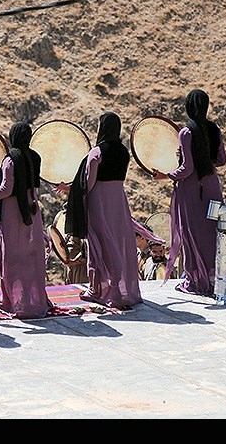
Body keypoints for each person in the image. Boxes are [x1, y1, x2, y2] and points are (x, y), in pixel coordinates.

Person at [57, 112, 142, 308]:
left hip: (99, 202)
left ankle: (98, 290)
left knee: (98, 245)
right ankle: (122, 288)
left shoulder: (97, 152)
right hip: (119, 201)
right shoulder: (123, 152)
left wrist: (68, 188)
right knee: (117, 242)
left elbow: (88, 183)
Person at [0, 121, 50, 318]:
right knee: (31, 256)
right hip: (31, 208)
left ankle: (11, 302)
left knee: (12, 257)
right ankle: (34, 299)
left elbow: (5, 190)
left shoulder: (10, 160)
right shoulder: (35, 157)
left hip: (13, 212)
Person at [154, 89, 226, 297]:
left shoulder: (186, 132)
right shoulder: (214, 129)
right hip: (212, 186)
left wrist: (166, 175)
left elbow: (187, 168)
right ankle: (216, 279)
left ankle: (197, 281)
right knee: (213, 233)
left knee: (193, 235)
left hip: (192, 190)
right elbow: (221, 160)